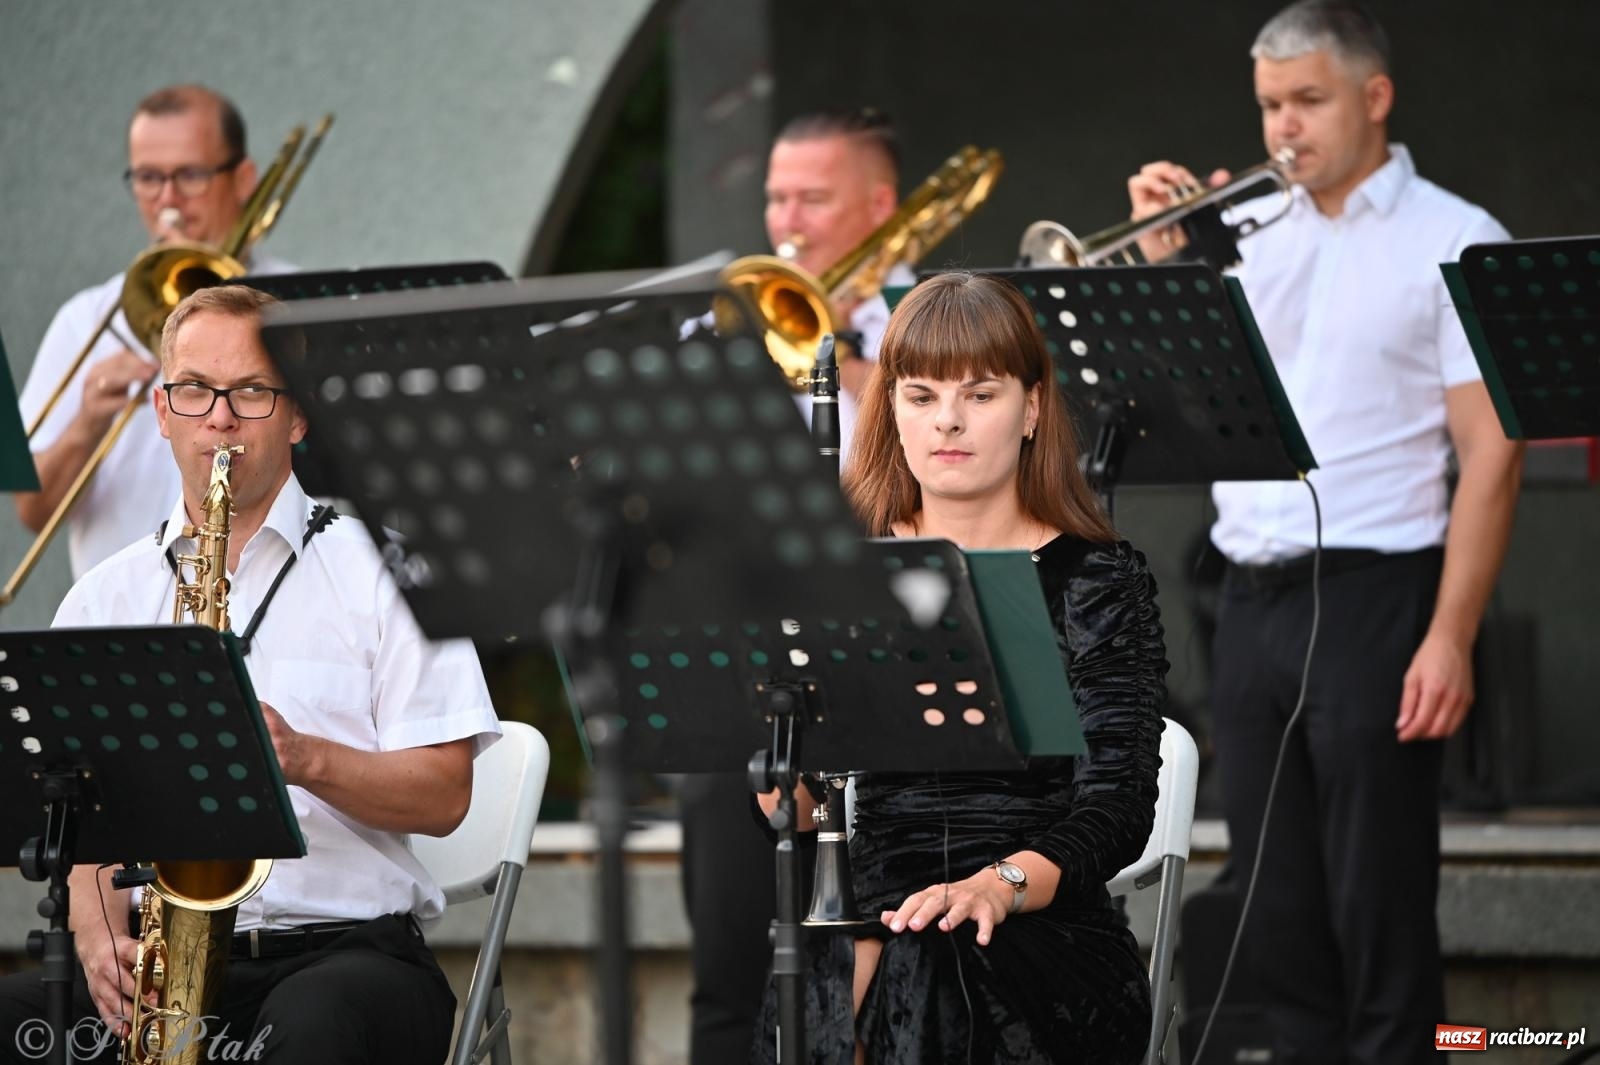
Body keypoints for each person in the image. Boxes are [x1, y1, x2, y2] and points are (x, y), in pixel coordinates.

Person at [1126, 3, 1523, 1062]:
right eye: (1267, 105)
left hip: (1377, 589)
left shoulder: (1453, 233)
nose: (1282, 129)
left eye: (1307, 101)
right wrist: (1175, 262)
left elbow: (1491, 451)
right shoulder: (1247, 230)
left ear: (1373, 97)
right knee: (1273, 895)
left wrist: (1449, 634)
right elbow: (1182, 410)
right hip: (1247, 596)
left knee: (1377, 892)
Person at [0, 284, 501, 1065]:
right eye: (195, 390)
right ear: (163, 411)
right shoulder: (105, 594)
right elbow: (77, 811)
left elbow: (445, 794)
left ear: (298, 416)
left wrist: (302, 756)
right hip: (158, 964)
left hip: (345, 957)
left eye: (252, 393)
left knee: (311, 1031)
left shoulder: (391, 569)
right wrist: (99, 940)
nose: (220, 418)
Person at [747, 272, 1167, 1064]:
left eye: (979, 394)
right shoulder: (840, 572)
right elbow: (799, 812)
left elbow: (1115, 807)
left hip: (1040, 921)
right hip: (871, 901)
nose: (947, 420)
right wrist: (784, 770)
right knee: (836, 969)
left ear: (1032, 407)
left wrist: (994, 884)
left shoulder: (1096, 581)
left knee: (919, 965)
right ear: (890, 410)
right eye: (919, 395)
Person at [678, 105, 908, 1065]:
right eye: (778, 196)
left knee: (873, 972)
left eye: (814, 197)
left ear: (883, 208)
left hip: (877, 677)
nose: (790, 222)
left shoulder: (927, 322)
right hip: (739, 669)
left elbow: (929, 496)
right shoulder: (727, 319)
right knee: (729, 969)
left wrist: (850, 356)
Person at [16, 83, 295, 583]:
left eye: (189, 176)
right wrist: (86, 424)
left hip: (274, 604)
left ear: (244, 178)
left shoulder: (297, 306)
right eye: (148, 178)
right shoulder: (85, 319)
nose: (167, 202)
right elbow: (32, 511)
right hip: (125, 615)